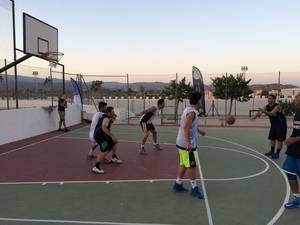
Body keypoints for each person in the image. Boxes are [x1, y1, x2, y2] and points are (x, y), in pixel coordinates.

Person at [173, 92, 206, 199]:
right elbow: (186, 127)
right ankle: (194, 188)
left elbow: (190, 125)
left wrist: (199, 131)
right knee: (191, 165)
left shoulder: (188, 110)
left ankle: (178, 184)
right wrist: (188, 143)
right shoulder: (192, 113)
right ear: (198, 101)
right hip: (186, 144)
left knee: (183, 163)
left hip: (181, 142)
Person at [252, 94, 287, 159]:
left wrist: (264, 111)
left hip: (281, 125)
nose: (268, 100)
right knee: (272, 138)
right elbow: (260, 112)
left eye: (270, 98)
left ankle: (277, 154)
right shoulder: (267, 106)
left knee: (280, 140)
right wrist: (255, 116)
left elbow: (272, 114)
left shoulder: (277, 106)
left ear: (274, 99)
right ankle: (272, 151)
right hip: (273, 125)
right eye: (268, 98)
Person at [283, 92, 300, 209]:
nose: (295, 97)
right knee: (289, 171)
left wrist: (295, 139)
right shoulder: (298, 112)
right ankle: (297, 198)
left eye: (298, 96)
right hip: (294, 149)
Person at [92, 107, 122, 174]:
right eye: (113, 112)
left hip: (104, 135)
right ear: (108, 113)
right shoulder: (106, 118)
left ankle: (114, 157)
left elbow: (111, 122)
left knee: (114, 141)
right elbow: (104, 128)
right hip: (99, 136)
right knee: (105, 149)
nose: (114, 112)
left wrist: (114, 117)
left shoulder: (108, 117)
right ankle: (96, 167)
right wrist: (112, 136)